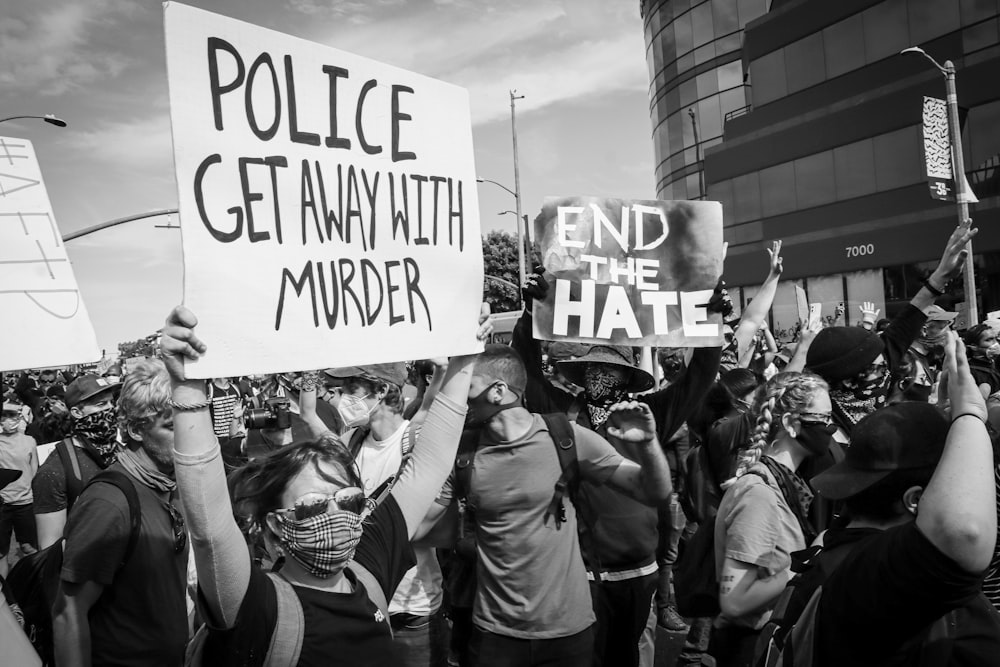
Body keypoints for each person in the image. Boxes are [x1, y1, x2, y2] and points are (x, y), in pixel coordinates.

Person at [161, 304, 489, 666]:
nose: (336, 514)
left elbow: (431, 462)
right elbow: (210, 529)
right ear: (276, 522)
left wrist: (466, 357)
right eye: (313, 505)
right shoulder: (255, 603)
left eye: (347, 501)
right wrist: (188, 391)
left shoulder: (370, 563)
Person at [513, 274, 725, 667]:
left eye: (609, 369)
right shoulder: (561, 411)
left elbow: (698, 379)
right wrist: (531, 312)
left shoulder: (652, 413)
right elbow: (524, 369)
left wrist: (710, 321)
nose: (600, 376)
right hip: (578, 572)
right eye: (593, 368)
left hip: (639, 572)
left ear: (628, 376)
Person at [422, 344, 673, 667]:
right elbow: (420, 523)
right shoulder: (463, 452)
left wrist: (650, 445)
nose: (458, 396)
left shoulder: (566, 436)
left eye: (467, 384)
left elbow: (654, 492)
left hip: (567, 634)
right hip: (495, 635)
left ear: (498, 391)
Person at [808, 333, 1000, 665]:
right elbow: (963, 531)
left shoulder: (834, 548)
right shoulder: (878, 570)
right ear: (915, 500)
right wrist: (969, 414)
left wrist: (950, 421)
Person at [303, 362, 450, 666]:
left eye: (350, 389)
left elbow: (435, 400)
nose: (342, 398)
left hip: (412, 610)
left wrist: (444, 369)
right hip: (363, 604)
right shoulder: (350, 444)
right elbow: (308, 415)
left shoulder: (415, 441)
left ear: (381, 390)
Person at [52, 359, 189, 666]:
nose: (186, 436)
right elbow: (68, 614)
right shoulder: (109, 502)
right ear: (136, 430)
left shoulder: (170, 485)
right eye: (170, 426)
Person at [709, 372, 833, 667]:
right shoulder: (759, 495)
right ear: (791, 424)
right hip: (749, 648)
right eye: (825, 419)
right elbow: (735, 601)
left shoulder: (783, 482)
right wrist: (809, 560)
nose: (831, 428)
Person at [806, 224, 975, 434]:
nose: (886, 369)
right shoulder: (820, 437)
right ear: (849, 382)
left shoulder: (876, 363)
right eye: (878, 368)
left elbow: (908, 319)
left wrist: (940, 276)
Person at [31, 374, 119, 550]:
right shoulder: (54, 471)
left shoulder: (120, 452)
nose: (110, 410)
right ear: (77, 413)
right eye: (101, 404)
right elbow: (51, 548)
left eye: (111, 403)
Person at [0, 403, 37, 577]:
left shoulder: (29, 441)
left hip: (25, 502)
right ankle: (4, 593)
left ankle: (35, 583)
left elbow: (34, 468)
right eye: (5, 416)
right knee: (1, 553)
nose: (10, 420)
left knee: (29, 547)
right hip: (3, 504)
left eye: (13, 416)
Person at [964, 323, 1000, 397]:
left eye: (995, 338)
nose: (995, 343)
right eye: (989, 340)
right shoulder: (969, 372)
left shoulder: (996, 362)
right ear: (974, 346)